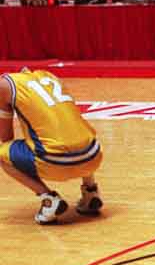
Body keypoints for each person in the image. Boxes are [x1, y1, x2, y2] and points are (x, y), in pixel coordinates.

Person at [0, 67, 103, 225]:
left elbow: (6, 137)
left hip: (56, 163)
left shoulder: (4, 86)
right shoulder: (49, 77)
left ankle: (48, 199)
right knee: (74, 134)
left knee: (3, 154)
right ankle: (91, 192)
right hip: (93, 155)